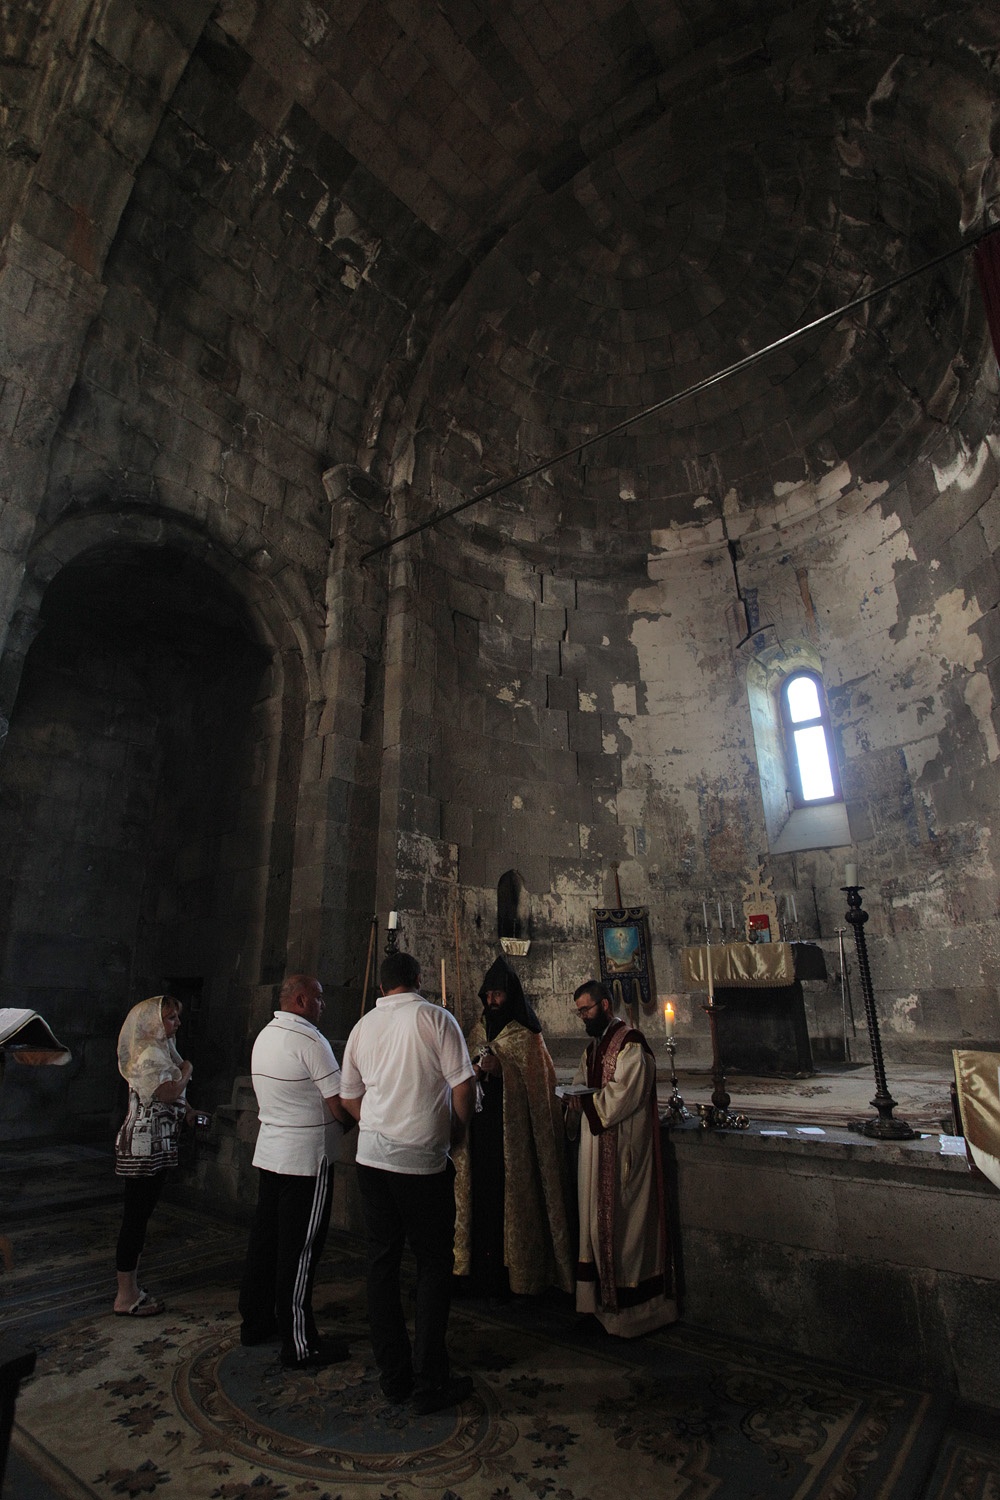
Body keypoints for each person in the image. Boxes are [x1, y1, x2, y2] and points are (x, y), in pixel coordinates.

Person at [339, 951, 476, 1415]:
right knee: (434, 1266)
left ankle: (394, 1377)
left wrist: (378, 1126)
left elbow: (348, 1095)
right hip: (421, 1163)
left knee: (382, 1265)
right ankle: (429, 1380)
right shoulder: (436, 1019)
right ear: (419, 980)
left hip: (372, 1160)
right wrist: (455, 1131)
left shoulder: (362, 1028)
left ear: (381, 988)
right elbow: (463, 1085)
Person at [239, 973, 353, 1370]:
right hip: (306, 1160)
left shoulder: (266, 1035)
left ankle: (255, 1323)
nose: (324, 1004)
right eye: (319, 998)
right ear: (301, 1000)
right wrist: (354, 1122)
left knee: (266, 1243)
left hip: (272, 1152)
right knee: (300, 1251)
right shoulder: (309, 1040)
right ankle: (300, 1343)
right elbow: (339, 1103)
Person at [453, 955, 573, 1299]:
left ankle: (517, 1276)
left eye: (498, 995)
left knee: (511, 1203)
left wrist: (503, 1067)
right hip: (479, 1135)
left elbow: (539, 1089)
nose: (492, 1001)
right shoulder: (475, 1030)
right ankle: (478, 1271)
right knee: (481, 1201)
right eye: (488, 995)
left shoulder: (527, 1037)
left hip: (513, 1139)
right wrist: (475, 1070)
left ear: (511, 996)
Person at [565, 979, 677, 1336]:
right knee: (594, 1227)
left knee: (623, 1227)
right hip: (594, 1150)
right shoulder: (593, 1048)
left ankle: (633, 1313)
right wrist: (571, 1100)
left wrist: (585, 1102)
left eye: (587, 1009)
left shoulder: (631, 1045)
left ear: (605, 1006)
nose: (583, 1016)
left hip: (624, 1151)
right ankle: (597, 1305)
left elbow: (620, 1096)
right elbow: (583, 1084)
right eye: (579, 1010)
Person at [114, 994, 199, 1316]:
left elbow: (170, 1095)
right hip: (142, 1144)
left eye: (177, 1017)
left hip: (155, 1141)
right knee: (135, 1218)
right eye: (170, 1018)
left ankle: (130, 1287)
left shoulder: (162, 1050)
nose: (177, 1023)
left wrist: (188, 1112)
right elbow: (168, 1091)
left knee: (140, 1216)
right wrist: (188, 1069)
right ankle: (126, 1295)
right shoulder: (150, 1052)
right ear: (152, 1023)